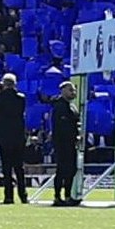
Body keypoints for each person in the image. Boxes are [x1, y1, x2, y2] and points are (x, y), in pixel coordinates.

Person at [0, 73, 30, 205]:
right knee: (19, 168)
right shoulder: (21, 98)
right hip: (18, 136)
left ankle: (8, 196)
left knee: (7, 168)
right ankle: (23, 195)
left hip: (4, 136)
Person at [50, 77, 84, 207]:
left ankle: (68, 195)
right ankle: (58, 196)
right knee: (62, 170)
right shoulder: (59, 106)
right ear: (63, 90)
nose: (73, 93)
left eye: (74, 90)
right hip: (62, 143)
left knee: (71, 170)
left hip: (70, 143)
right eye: (70, 90)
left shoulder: (72, 107)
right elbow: (62, 127)